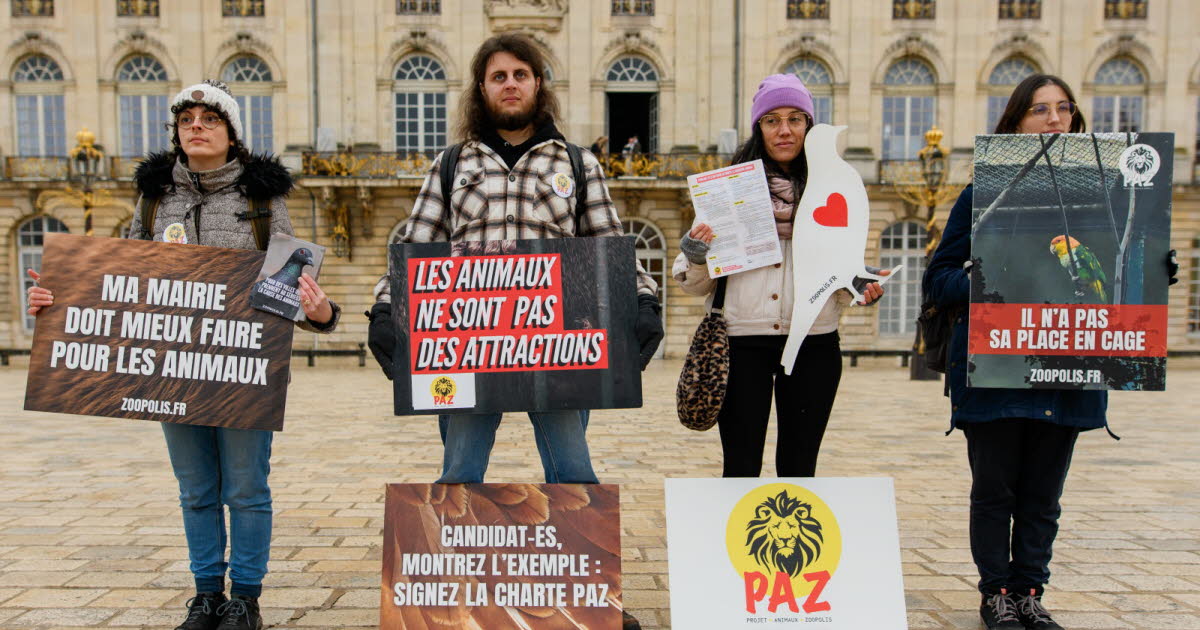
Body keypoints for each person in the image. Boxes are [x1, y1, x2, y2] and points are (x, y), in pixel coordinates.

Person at [26, 79, 340, 630]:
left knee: (246, 487)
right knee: (195, 488)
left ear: (232, 133)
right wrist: (58, 300)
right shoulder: (151, 200)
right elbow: (116, 282)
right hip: (171, 369)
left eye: (210, 118)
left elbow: (290, 284)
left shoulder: (262, 201)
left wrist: (320, 312)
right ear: (175, 131)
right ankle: (204, 595)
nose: (196, 125)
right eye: (187, 118)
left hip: (242, 370)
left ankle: (244, 597)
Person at [922, 73, 1174, 630]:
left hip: (1067, 366)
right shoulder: (984, 192)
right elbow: (938, 279)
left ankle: (1029, 592)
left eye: (1064, 109)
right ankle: (995, 596)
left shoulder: (1110, 197)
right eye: (1040, 110)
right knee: (994, 490)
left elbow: (1115, 278)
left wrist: (1152, 273)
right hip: (997, 365)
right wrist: (994, 282)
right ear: (1014, 123)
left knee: (1043, 495)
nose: (1055, 120)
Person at [371, 33, 663, 487]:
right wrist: (385, 308)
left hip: (558, 341)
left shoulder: (578, 164)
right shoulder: (449, 165)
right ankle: (456, 555)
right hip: (466, 339)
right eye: (498, 76)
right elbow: (414, 247)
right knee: (458, 474)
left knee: (573, 474)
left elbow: (609, 241)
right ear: (481, 88)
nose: (511, 84)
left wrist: (644, 300)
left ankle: (574, 555)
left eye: (520, 74)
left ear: (539, 84)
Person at [673, 74, 887, 478]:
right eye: (772, 120)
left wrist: (860, 286)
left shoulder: (833, 191)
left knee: (800, 467)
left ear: (810, 125)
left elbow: (838, 276)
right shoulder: (727, 191)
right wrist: (696, 256)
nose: (784, 129)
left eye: (795, 118)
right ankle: (733, 542)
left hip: (814, 342)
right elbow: (698, 285)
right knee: (740, 467)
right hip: (742, 341)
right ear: (759, 128)